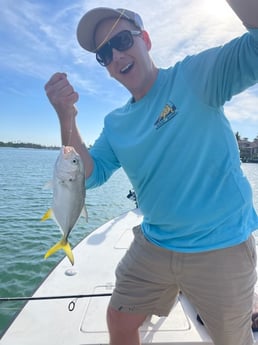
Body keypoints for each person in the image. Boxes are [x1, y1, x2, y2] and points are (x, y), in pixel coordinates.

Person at [45, 1, 258, 344]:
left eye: (123, 41)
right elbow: (89, 174)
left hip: (221, 245)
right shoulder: (116, 124)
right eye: (103, 54)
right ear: (106, 68)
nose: (115, 55)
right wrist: (66, 116)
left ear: (145, 39)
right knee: (119, 319)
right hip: (155, 243)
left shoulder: (195, 76)